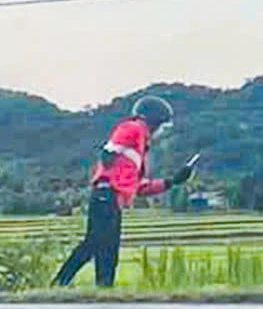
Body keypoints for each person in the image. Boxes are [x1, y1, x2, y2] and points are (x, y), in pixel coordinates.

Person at [54, 95, 193, 288]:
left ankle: (103, 288)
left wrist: (173, 181)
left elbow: (140, 187)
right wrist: (109, 152)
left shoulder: (140, 149)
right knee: (95, 243)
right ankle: (59, 284)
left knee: (108, 248)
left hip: (113, 199)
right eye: (161, 125)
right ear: (153, 121)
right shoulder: (135, 128)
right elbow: (113, 146)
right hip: (107, 194)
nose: (160, 131)